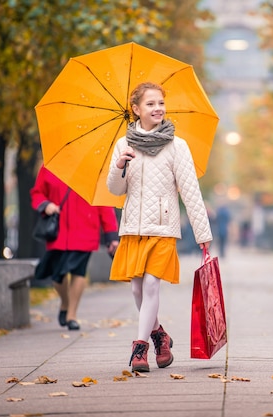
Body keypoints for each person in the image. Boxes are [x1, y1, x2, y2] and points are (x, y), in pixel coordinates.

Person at [106, 82, 213, 373]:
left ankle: (139, 348)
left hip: (164, 227)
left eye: (161, 103)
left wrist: (203, 234)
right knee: (137, 290)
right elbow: (115, 190)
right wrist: (119, 166)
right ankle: (160, 336)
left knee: (152, 284)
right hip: (133, 227)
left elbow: (191, 191)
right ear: (136, 109)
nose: (158, 109)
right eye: (151, 104)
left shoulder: (177, 146)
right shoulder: (123, 144)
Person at [31, 166, 119, 331]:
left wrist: (111, 236)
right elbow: (37, 193)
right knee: (57, 276)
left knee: (79, 272)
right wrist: (46, 205)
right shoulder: (51, 166)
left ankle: (72, 315)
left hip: (85, 229)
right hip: (59, 232)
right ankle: (65, 302)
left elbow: (103, 202)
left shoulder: (94, 169)